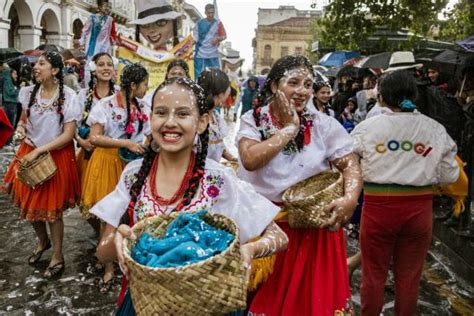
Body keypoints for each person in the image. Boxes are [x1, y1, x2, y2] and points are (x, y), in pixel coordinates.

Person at [88, 77, 288, 313]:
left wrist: (248, 250)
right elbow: (103, 252)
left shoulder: (218, 178)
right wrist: (120, 240)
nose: (170, 123)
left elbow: (278, 237)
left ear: (202, 122)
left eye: (182, 114)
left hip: (205, 302)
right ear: (151, 118)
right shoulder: (134, 174)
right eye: (161, 113)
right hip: (149, 302)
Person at [237, 55, 363, 315]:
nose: (302, 91)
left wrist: (350, 198)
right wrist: (290, 129)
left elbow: (350, 165)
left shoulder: (323, 125)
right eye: (293, 82)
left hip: (312, 231)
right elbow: (250, 159)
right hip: (266, 231)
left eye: (307, 84)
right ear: (274, 87)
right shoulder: (254, 119)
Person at [351, 70, 459, 315]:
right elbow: (449, 176)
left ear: (381, 98)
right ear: (413, 95)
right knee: (409, 278)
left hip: (378, 210)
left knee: (374, 274)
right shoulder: (435, 129)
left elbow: (348, 164)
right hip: (419, 211)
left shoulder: (367, 128)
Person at [3, 51, 81, 278]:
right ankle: (43, 241)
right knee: (27, 204)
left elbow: (68, 135)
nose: (36, 67)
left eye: (42, 64)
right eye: (36, 63)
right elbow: (24, 119)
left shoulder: (68, 96)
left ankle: (58, 255)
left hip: (54, 155)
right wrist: (20, 129)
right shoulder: (28, 92)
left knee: (52, 212)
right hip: (29, 151)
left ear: (55, 70)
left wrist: (38, 150)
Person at [80, 63, 151, 292]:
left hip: (133, 165)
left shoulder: (142, 106)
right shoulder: (106, 105)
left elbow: (148, 134)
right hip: (108, 162)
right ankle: (108, 266)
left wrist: (144, 145)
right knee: (107, 217)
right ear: (133, 85)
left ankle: (127, 257)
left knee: (130, 216)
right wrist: (125, 143)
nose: (146, 88)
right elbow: (94, 138)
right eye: (144, 84)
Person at [74, 52, 117, 233]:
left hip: (112, 156)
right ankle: (100, 235)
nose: (105, 68)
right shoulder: (83, 95)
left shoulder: (120, 94)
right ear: (93, 69)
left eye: (109, 64)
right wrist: (81, 141)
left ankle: (106, 240)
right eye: (101, 64)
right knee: (86, 200)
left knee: (110, 200)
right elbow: (71, 125)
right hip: (88, 154)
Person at [197, 68, 237, 162]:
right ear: (220, 93)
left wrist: (231, 158)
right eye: (228, 90)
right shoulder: (196, 118)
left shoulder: (216, 116)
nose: (229, 94)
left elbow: (218, 144)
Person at [80, 0, 119, 85]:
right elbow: (85, 30)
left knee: (105, 64)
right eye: (105, 6)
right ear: (100, 7)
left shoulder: (110, 20)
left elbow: (113, 33)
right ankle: (88, 86)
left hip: (105, 47)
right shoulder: (92, 18)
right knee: (90, 66)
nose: (107, 9)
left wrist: (114, 40)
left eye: (109, 7)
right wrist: (82, 42)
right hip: (93, 47)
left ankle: (104, 84)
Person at [192, 3, 226, 79]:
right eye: (209, 13)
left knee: (215, 74)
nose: (211, 15)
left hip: (213, 53)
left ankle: (215, 89)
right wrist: (187, 46)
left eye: (212, 13)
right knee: (198, 74)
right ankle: (198, 88)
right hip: (200, 53)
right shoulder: (199, 23)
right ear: (205, 13)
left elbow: (224, 36)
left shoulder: (218, 23)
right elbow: (195, 38)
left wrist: (217, 38)